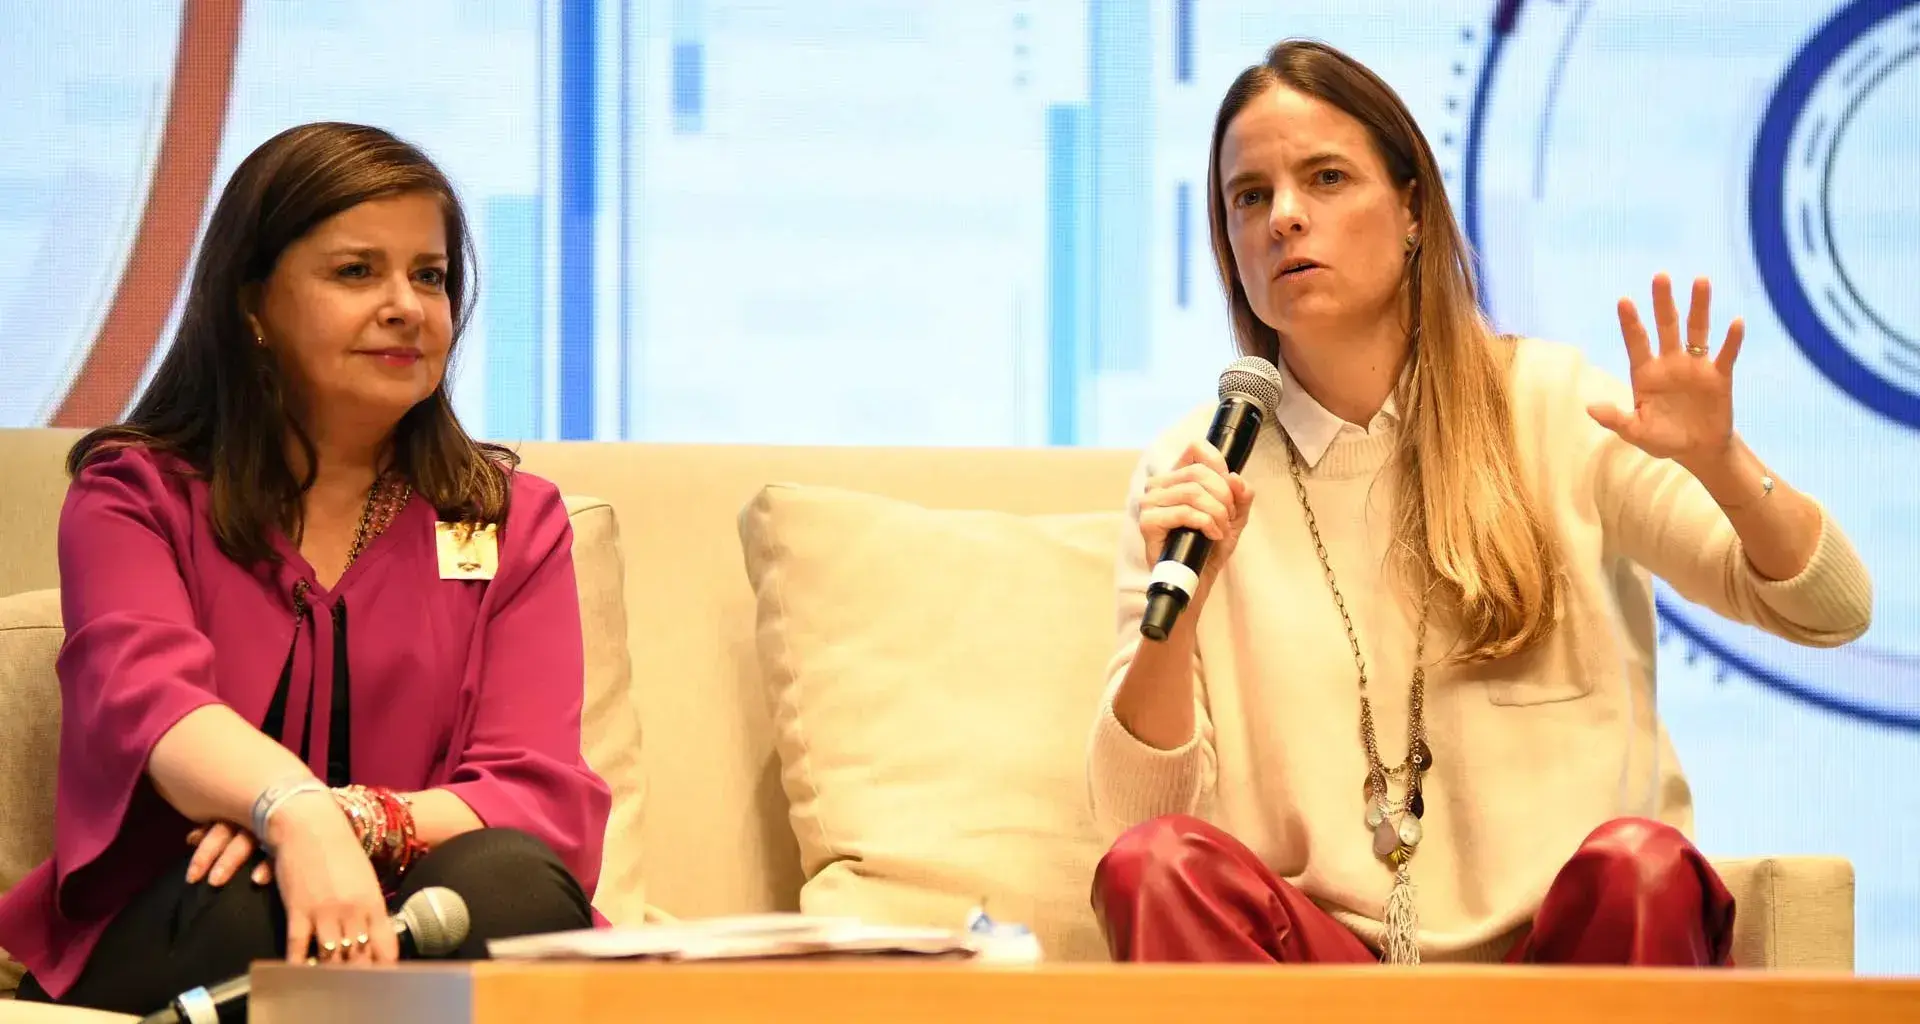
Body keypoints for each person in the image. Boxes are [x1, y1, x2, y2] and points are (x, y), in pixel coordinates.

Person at [1086, 40, 1872, 967]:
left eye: (1326, 178)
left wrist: (1723, 464)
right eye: (1249, 197)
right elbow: (1133, 826)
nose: (1285, 217)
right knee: (1156, 866)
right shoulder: (1197, 469)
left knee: (1643, 867)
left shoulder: (1553, 407)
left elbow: (1831, 609)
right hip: (1320, 981)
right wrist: (1183, 610)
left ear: (1413, 210)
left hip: (1563, 965)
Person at [0, 122, 612, 1013]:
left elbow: (536, 789)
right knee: (254, 904)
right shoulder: (134, 495)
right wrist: (284, 811)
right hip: (201, 916)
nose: (406, 306)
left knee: (513, 885)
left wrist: (346, 822)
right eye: (357, 271)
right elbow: (149, 705)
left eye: (430, 276)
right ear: (252, 305)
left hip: (425, 912)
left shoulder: (510, 520)